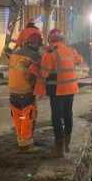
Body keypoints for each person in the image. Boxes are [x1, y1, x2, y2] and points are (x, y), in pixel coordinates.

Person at [34, 29, 83, 158]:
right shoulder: (71, 51)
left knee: (57, 118)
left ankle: (59, 149)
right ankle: (67, 145)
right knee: (68, 115)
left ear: (50, 40)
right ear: (62, 39)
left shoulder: (50, 53)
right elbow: (80, 61)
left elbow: (42, 74)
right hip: (71, 88)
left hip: (57, 90)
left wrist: (33, 66)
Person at [8, 32, 43, 153]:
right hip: (26, 92)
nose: (39, 47)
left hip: (13, 93)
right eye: (39, 45)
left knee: (19, 117)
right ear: (36, 43)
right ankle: (26, 144)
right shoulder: (34, 56)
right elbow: (42, 72)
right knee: (28, 117)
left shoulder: (15, 53)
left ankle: (21, 139)